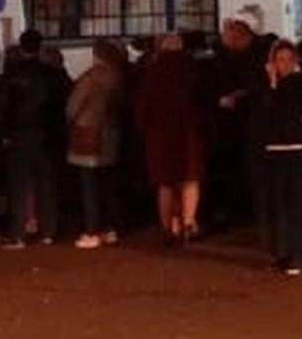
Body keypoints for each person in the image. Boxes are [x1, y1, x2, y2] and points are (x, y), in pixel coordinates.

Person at [253, 40, 302, 274]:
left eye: (289, 60)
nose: (285, 65)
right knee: (277, 204)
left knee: (296, 202)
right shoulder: (268, 87)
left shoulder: (301, 84)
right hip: (275, 149)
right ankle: (280, 252)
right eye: (280, 60)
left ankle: (297, 252)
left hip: (297, 149)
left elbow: (287, 107)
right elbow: (265, 110)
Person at [137, 32, 205, 243]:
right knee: (190, 180)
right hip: (189, 133)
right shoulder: (193, 69)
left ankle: (168, 227)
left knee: (165, 183)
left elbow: (142, 107)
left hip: (159, 135)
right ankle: (187, 223)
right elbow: (203, 102)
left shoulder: (152, 72)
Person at [0, 28, 59, 247]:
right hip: (44, 133)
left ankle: (19, 232)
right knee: (46, 182)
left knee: (19, 185)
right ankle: (48, 230)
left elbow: (3, 106)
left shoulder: (13, 75)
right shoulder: (49, 74)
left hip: (20, 133)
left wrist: (5, 132)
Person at [67, 39, 126, 248]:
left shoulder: (90, 78)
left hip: (88, 134)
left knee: (89, 186)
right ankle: (112, 228)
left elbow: (73, 107)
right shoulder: (118, 77)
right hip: (112, 134)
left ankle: (92, 230)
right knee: (109, 184)